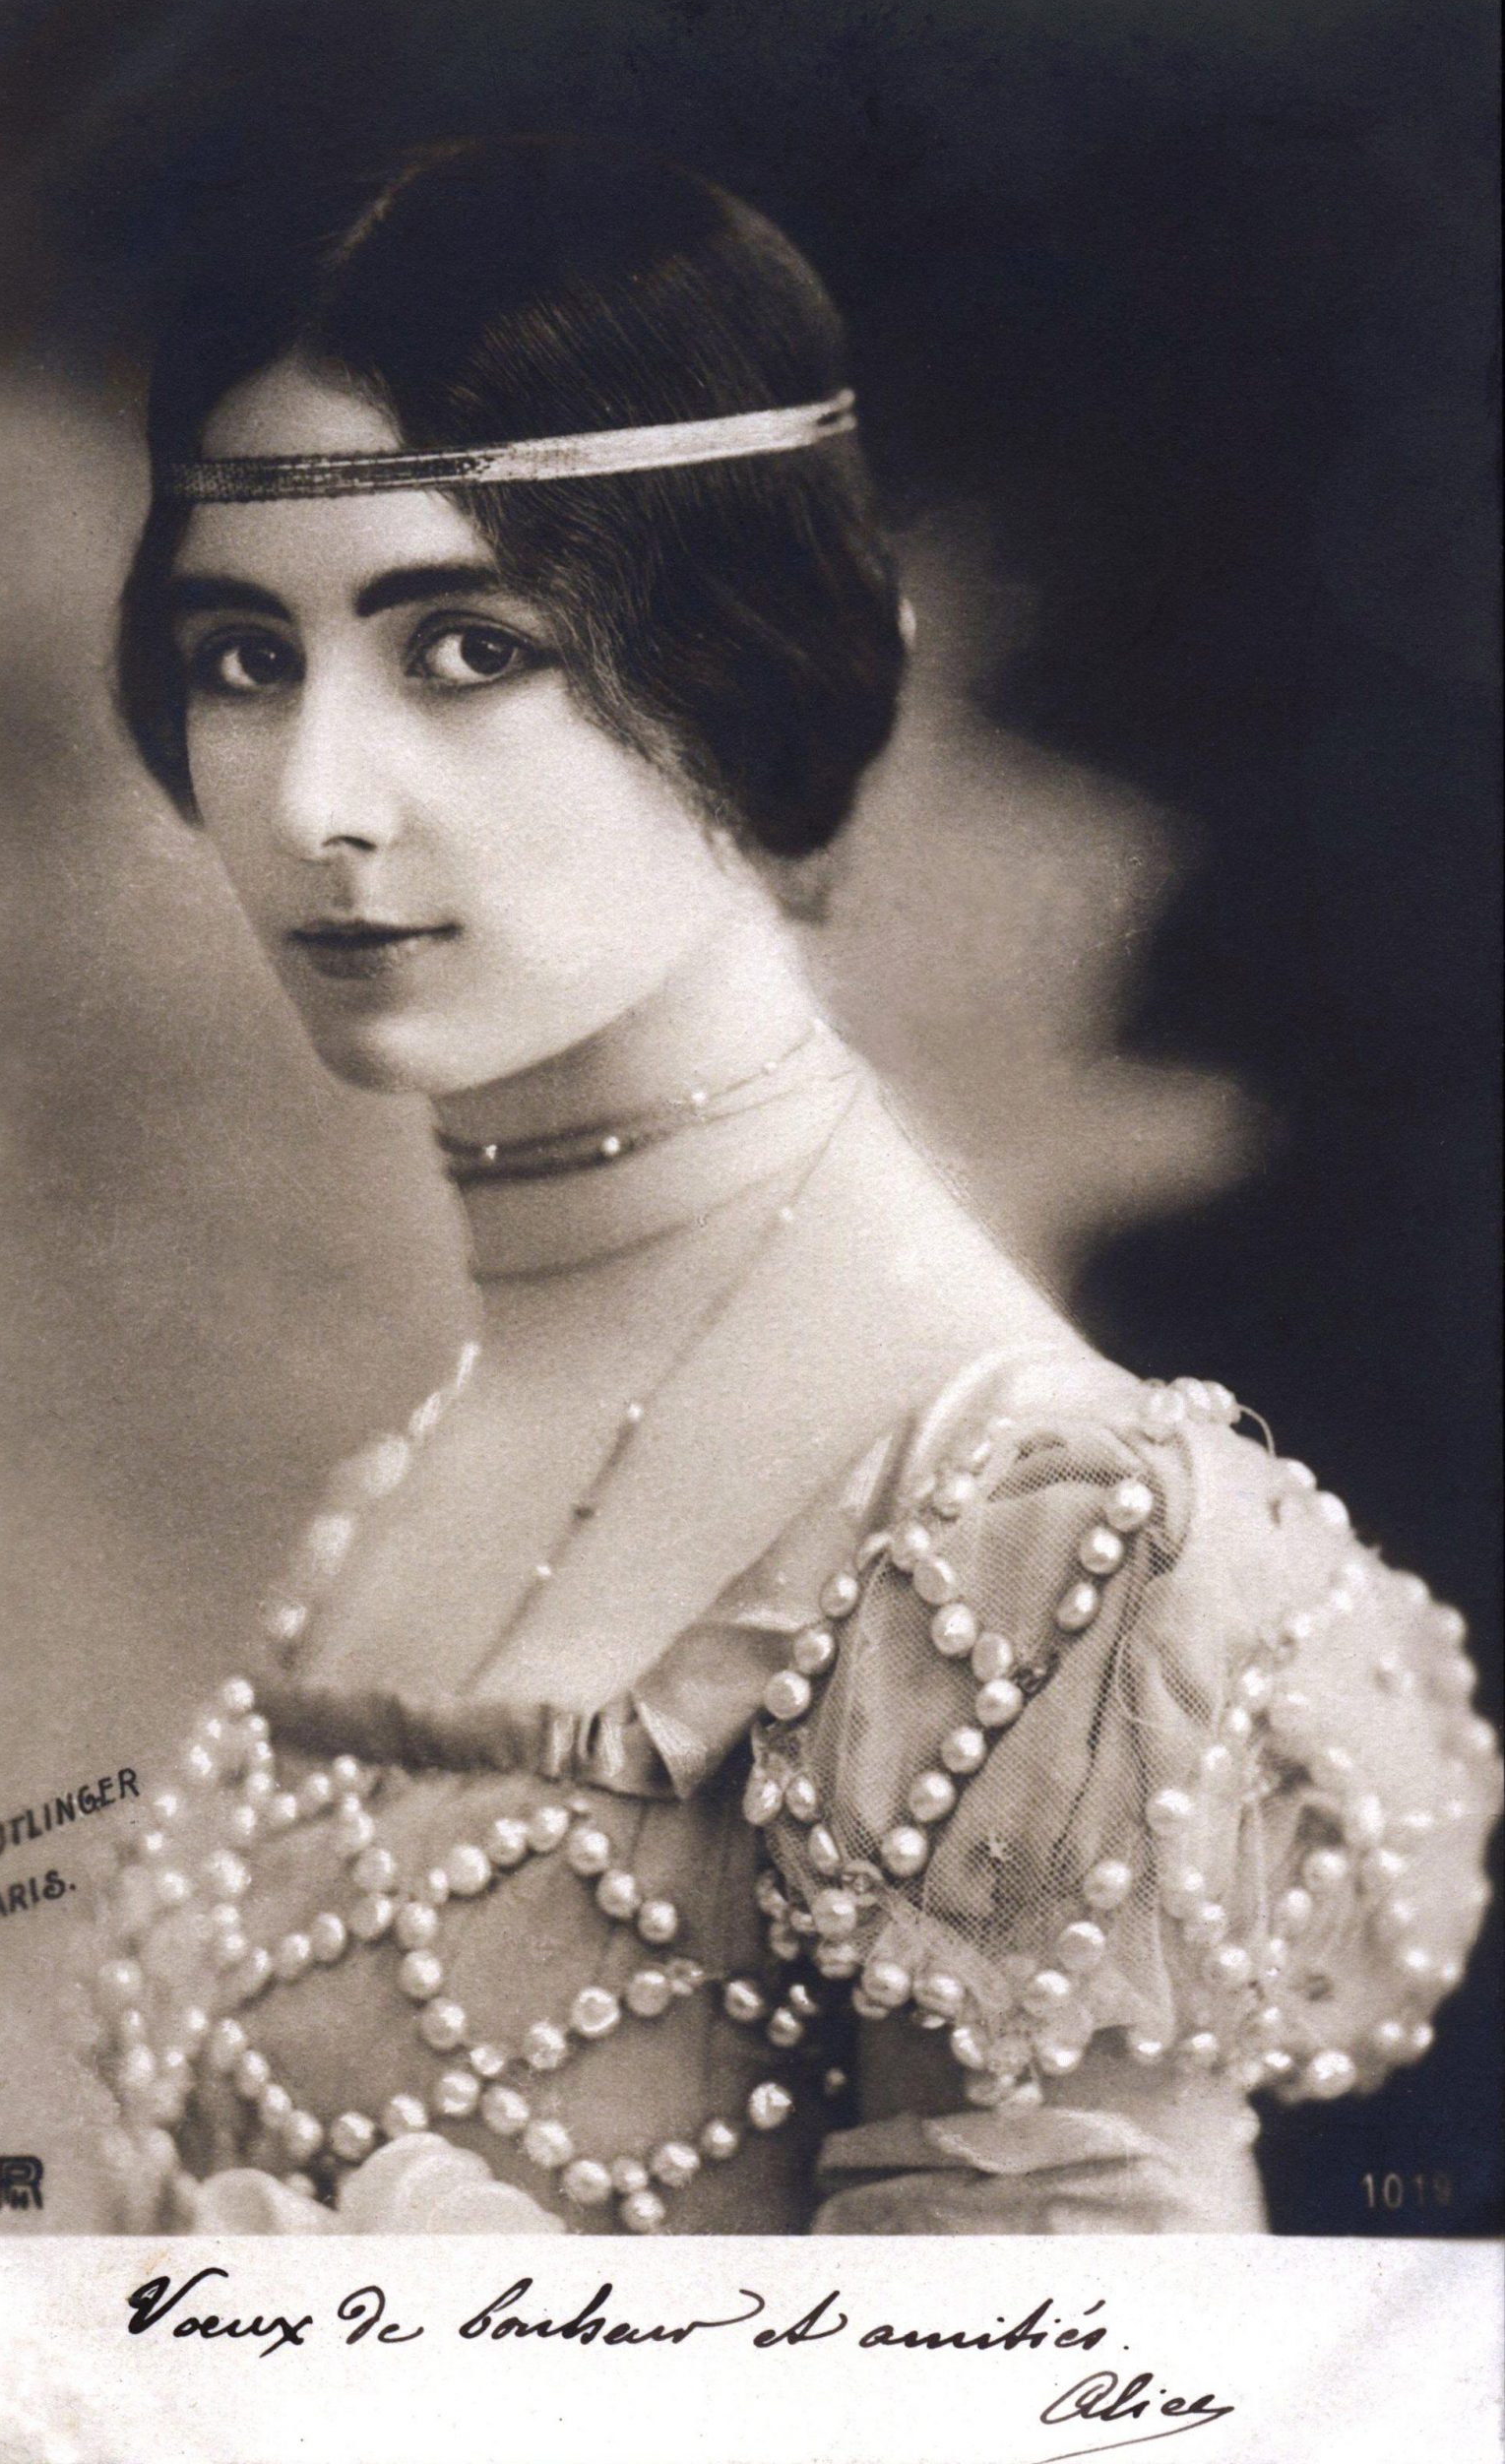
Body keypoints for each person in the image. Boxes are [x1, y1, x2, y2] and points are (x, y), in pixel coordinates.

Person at [87, 135, 1499, 2236]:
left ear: (741, 661)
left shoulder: (1041, 1539)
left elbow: (1098, 2378)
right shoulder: (399, 1477)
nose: (315, 800)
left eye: (464, 647)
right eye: (242, 656)